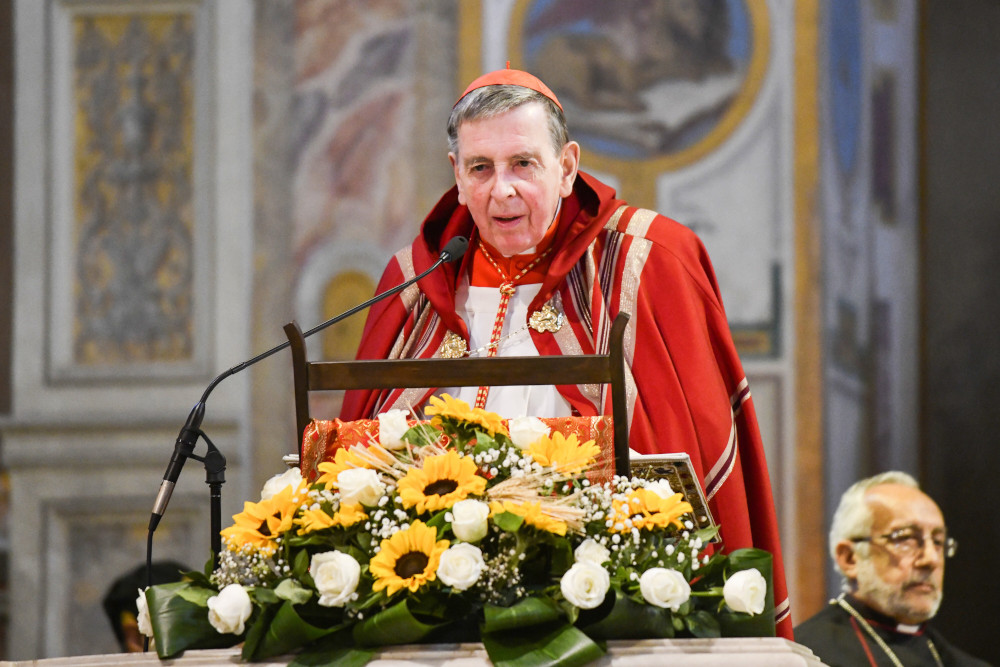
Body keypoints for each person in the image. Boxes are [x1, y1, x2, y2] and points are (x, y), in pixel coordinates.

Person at [339, 66, 790, 638]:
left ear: (567, 165)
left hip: (610, 613)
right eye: (480, 168)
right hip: (435, 613)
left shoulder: (650, 260)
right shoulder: (414, 282)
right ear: (456, 175)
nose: (501, 189)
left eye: (523, 164)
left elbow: (699, 449)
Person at [794, 471, 991, 666]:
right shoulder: (803, 657)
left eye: (938, 542)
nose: (931, 559)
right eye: (905, 539)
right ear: (850, 558)